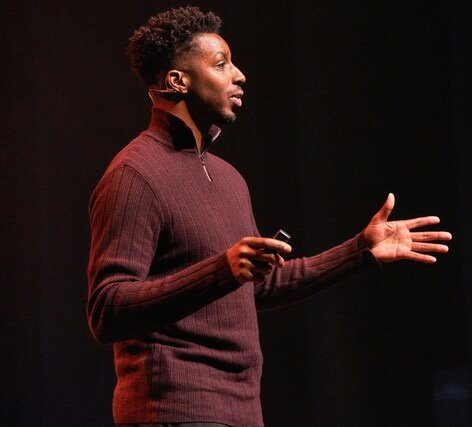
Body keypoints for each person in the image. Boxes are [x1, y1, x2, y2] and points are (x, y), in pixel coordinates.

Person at [87, 6, 452, 427]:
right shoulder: (136, 175)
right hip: (174, 410)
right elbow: (107, 309)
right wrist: (222, 269)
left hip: (242, 411)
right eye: (221, 64)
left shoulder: (228, 178)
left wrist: (360, 251)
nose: (240, 75)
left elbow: (259, 286)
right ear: (177, 81)